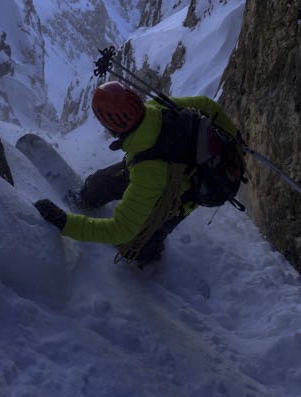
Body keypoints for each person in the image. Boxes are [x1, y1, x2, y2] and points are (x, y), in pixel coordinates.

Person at [34, 81, 244, 268]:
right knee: (99, 184)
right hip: (170, 168)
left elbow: (121, 230)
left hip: (179, 195)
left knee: (133, 246)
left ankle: (150, 251)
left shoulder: (148, 172)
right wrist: (234, 136)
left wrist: (66, 223)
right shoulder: (156, 108)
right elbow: (206, 105)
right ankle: (88, 195)